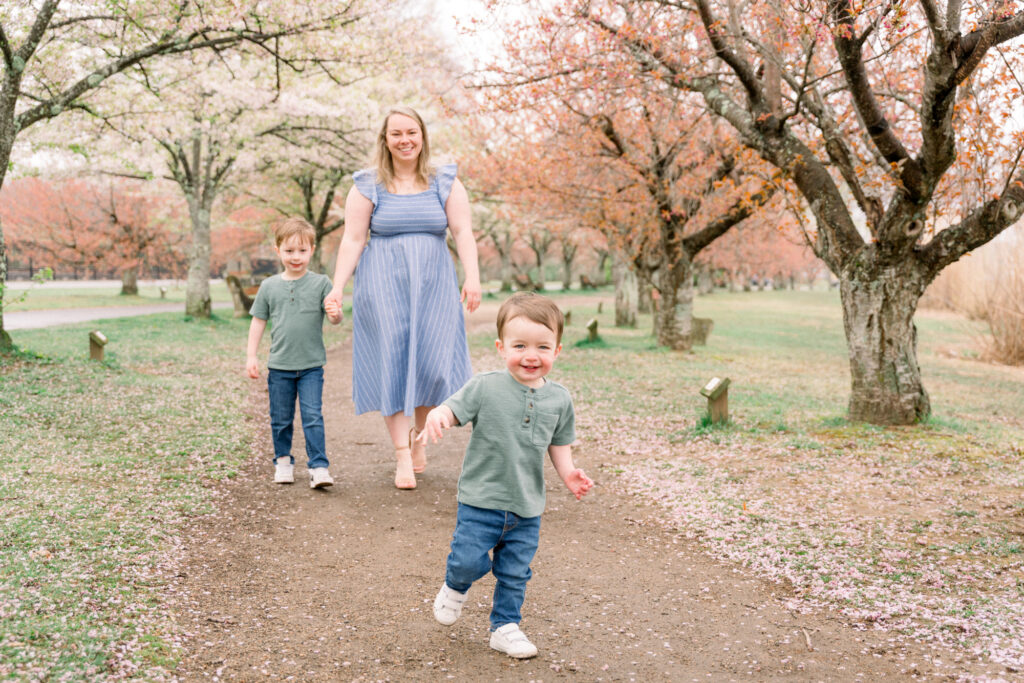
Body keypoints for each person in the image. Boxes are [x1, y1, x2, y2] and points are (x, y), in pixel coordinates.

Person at [417, 292, 594, 659]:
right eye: (520, 345)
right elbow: (454, 409)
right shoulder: (486, 386)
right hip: (481, 500)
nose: (531, 355)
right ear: (501, 347)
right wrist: (439, 415)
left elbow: (558, 444)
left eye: (543, 347)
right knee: (467, 559)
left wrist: (569, 473)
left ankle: (505, 626)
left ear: (557, 351)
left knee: (515, 573)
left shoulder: (559, 399)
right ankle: (455, 585)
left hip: (527, 507)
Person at [325, 106, 481, 490]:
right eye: (396, 134)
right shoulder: (368, 184)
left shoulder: (445, 180)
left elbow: (462, 231)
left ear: (422, 135)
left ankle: (419, 438)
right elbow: (353, 239)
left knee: (432, 364)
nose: (405, 140)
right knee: (392, 362)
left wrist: (473, 277)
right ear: (386, 139)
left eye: (411, 132)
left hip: (435, 283)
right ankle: (401, 456)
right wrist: (337, 286)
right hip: (382, 284)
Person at [247, 217, 342, 488]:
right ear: (278, 251)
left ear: (312, 250)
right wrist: (251, 356)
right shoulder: (269, 286)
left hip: (311, 366)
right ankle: (283, 461)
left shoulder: (322, 283)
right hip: (280, 367)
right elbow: (258, 321)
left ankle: (319, 466)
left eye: (302, 250)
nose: (296, 257)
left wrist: (335, 315)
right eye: (289, 251)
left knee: (313, 416)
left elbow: (335, 318)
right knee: (281, 418)